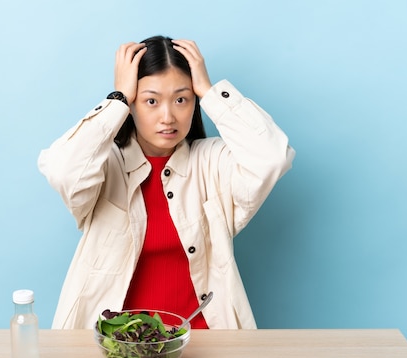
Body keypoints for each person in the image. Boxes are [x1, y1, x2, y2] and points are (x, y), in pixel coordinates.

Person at [38, 35, 295, 330]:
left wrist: (210, 91)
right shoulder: (105, 164)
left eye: (181, 99)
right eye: (151, 101)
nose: (168, 116)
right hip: (118, 348)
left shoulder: (211, 161)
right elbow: (60, 169)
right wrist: (117, 98)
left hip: (207, 342)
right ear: (133, 106)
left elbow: (273, 157)